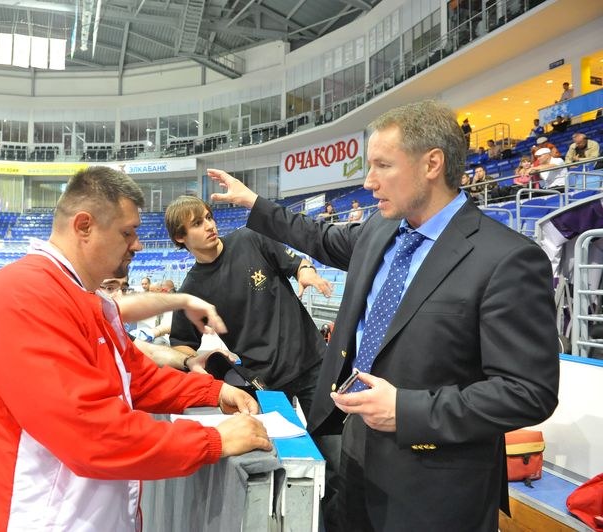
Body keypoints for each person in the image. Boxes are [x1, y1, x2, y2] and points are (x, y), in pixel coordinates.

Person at [207, 99, 559, 531]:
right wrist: (256, 204)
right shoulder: (380, 228)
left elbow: (528, 392)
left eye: (382, 166)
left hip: (436, 487)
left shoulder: (507, 258)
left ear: (432, 163)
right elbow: (316, 235)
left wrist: (406, 410)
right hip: (354, 454)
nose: (370, 182)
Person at [0, 166, 272, 530]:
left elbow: (137, 378)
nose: (138, 245)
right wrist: (213, 440)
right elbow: (90, 434)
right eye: (127, 232)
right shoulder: (22, 298)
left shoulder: (81, 297)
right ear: (84, 226)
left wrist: (214, 390)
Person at [163, 195, 343, 518]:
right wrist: (197, 361)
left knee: (337, 462)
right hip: (267, 386)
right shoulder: (191, 291)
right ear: (180, 237)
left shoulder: (249, 239)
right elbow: (181, 345)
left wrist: (305, 271)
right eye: (197, 223)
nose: (210, 226)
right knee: (289, 473)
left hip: (314, 363)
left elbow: (296, 262)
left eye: (208, 217)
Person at [100, 276, 216, 372]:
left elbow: (151, 352)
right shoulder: (86, 329)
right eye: (109, 288)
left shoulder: (115, 329)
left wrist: (189, 361)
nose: (120, 296)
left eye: (124, 290)